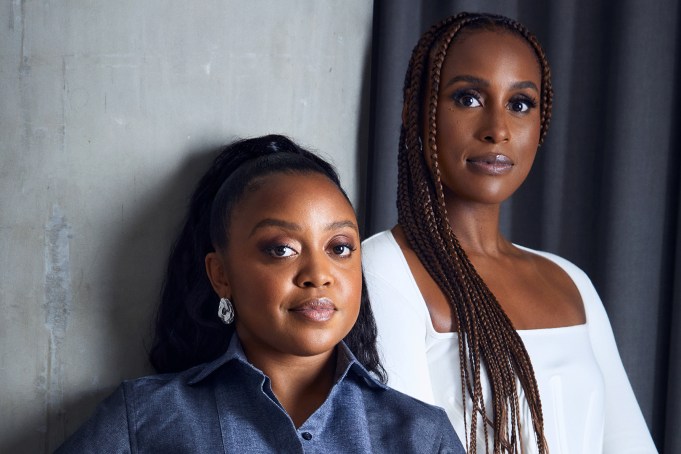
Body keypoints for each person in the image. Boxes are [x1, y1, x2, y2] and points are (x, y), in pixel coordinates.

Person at [362, 12, 657, 454]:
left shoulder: (570, 282)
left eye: (519, 104)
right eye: (468, 98)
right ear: (414, 110)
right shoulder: (382, 267)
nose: (497, 130)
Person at [56, 135, 464, 453]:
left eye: (339, 248)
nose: (318, 274)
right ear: (221, 275)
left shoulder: (422, 435)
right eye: (281, 249)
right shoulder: (144, 419)